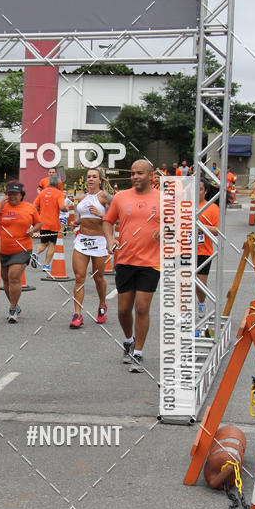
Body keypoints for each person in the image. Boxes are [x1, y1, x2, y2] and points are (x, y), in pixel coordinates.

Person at [103, 159, 161, 372]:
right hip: (125, 260)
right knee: (123, 310)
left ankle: (138, 351)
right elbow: (107, 221)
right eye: (133, 173)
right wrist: (110, 240)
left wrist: (167, 230)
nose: (135, 176)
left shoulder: (162, 198)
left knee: (142, 307)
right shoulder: (120, 197)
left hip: (151, 262)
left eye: (140, 173)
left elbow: (177, 224)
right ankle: (128, 339)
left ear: (150, 175)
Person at [0, 181, 41, 322]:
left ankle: (12, 308)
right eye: (9, 193)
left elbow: (39, 223)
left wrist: (33, 230)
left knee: (14, 277)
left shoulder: (29, 208)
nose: (12, 196)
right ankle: (15, 304)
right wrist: (0, 205)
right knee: (6, 280)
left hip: (22, 248)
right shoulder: (0, 207)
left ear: (21, 195)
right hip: (1, 249)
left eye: (15, 194)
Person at [70, 168, 112, 329]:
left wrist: (102, 215)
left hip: (99, 241)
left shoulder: (105, 197)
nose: (91, 179)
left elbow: (116, 218)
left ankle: (102, 304)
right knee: (79, 277)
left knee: (98, 277)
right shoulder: (82, 197)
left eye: (94, 177)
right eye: (88, 177)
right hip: (82, 240)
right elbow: (81, 217)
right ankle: (77, 314)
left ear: (100, 180)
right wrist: (77, 222)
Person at [32, 176, 72, 271]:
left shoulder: (42, 193)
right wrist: (67, 208)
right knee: (52, 244)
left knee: (43, 242)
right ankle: (46, 265)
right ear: (58, 184)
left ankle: (36, 253)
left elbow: (34, 206)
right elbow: (62, 207)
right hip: (53, 223)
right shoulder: (59, 194)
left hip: (43, 222)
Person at [196, 177, 220, 336]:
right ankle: (185, 316)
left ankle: (202, 303)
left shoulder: (212, 208)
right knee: (184, 286)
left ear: (205, 191)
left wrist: (200, 226)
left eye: (200, 189)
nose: (196, 192)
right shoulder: (185, 206)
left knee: (199, 285)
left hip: (204, 252)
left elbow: (217, 230)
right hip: (185, 250)